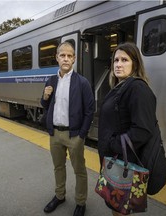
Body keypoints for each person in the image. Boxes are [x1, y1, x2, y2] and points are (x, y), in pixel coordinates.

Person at [97, 42, 158, 216]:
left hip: (122, 162)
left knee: (119, 207)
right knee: (117, 206)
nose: (118, 64)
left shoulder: (137, 88)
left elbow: (143, 130)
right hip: (115, 160)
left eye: (124, 60)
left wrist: (112, 144)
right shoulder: (121, 87)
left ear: (135, 64)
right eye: (116, 60)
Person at [40, 41, 94, 216]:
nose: (66, 58)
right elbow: (45, 105)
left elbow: (90, 110)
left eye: (69, 56)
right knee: (58, 167)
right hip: (55, 134)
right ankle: (60, 195)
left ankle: (80, 202)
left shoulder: (82, 82)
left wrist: (82, 135)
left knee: (79, 170)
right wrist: (45, 96)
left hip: (74, 135)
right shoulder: (51, 80)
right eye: (62, 55)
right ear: (57, 57)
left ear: (74, 59)